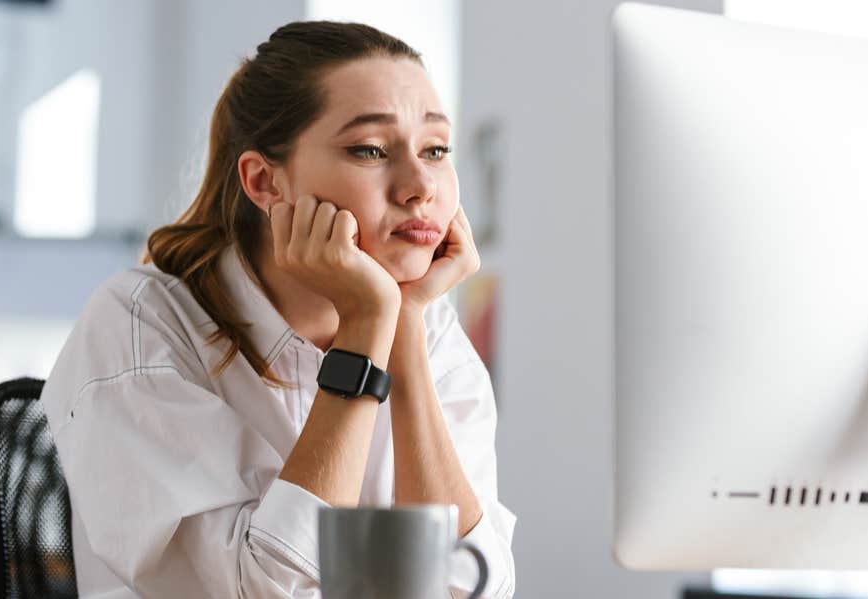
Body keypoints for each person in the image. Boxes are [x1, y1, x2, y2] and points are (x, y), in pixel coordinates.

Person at [41, 21, 516, 598]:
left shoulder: (427, 325)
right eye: (369, 149)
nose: (420, 186)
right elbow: (265, 593)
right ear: (265, 182)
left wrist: (404, 333)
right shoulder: (141, 327)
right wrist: (366, 331)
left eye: (436, 150)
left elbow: (472, 588)